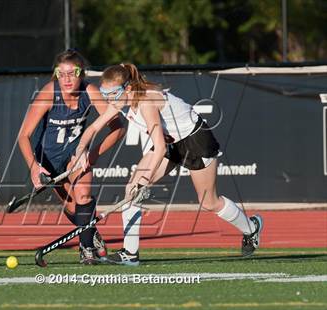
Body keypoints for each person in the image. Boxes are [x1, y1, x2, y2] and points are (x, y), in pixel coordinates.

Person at [72, 63, 263, 266]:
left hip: (195, 141)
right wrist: (80, 149)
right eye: (104, 93)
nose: (109, 99)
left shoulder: (146, 101)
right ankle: (130, 254)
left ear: (127, 88)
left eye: (113, 93)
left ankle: (252, 228)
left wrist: (144, 182)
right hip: (170, 143)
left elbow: (160, 148)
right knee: (131, 188)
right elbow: (94, 127)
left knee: (209, 202)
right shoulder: (120, 101)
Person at [18, 50, 125, 264]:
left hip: (74, 154)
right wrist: (33, 167)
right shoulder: (49, 94)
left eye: (72, 73)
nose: (67, 79)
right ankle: (90, 231)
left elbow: (118, 127)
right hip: (48, 160)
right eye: (61, 73)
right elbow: (23, 136)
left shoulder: (90, 91)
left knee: (84, 195)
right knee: (74, 210)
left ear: (81, 73)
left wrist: (92, 154)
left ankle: (86, 251)